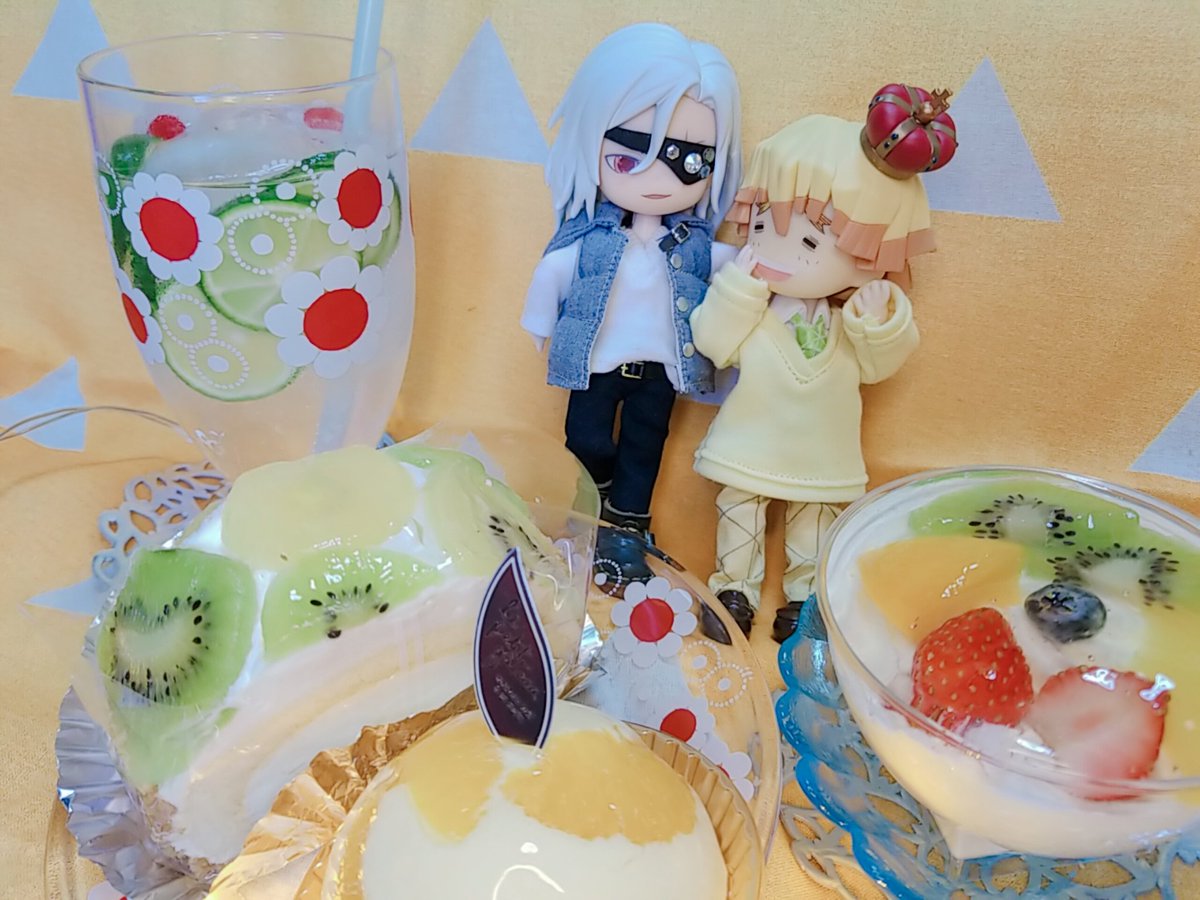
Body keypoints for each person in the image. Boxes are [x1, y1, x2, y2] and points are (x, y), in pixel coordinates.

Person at [691, 87, 957, 641]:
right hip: (750, 440)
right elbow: (713, 342)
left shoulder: (849, 319)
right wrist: (740, 284)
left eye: (810, 241)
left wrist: (878, 316)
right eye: (762, 225)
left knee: (815, 523)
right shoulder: (753, 305)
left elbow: (879, 365)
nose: (774, 249)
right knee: (739, 511)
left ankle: (803, 599)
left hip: (821, 451)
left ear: (870, 252)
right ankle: (733, 592)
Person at [521, 23, 741, 550]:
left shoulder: (694, 245)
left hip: (662, 370)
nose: (659, 179)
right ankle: (588, 510)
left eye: (690, 162)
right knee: (586, 438)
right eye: (628, 157)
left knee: (646, 447)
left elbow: (728, 269)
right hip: (596, 362)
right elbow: (554, 270)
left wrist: (756, 268)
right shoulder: (591, 239)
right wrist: (538, 321)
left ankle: (627, 530)